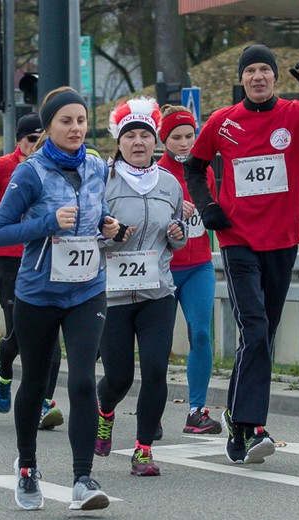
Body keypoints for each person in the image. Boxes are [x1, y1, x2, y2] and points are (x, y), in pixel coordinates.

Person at [184, 45, 299, 464]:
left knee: (262, 336)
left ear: (275, 77)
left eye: (265, 69)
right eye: (251, 71)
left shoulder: (298, 115)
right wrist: (208, 206)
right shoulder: (224, 121)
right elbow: (194, 166)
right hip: (238, 238)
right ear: (241, 79)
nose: (258, 76)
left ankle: (236, 419)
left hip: (282, 241)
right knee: (256, 329)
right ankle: (254, 425)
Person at [0, 86, 121, 511]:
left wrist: (109, 225)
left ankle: (83, 479)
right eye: (66, 121)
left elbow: (96, 213)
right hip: (39, 293)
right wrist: (47, 222)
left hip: (87, 289)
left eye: (81, 120)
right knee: (36, 381)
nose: (76, 128)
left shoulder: (99, 166)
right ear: (48, 127)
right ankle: (27, 468)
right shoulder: (30, 172)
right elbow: (0, 232)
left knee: (83, 380)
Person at [95, 97, 187, 476]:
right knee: (119, 376)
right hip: (111, 294)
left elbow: (177, 235)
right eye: (130, 135)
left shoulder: (169, 183)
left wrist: (178, 235)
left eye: (144, 136)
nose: (138, 142)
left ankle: (144, 449)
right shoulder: (103, 180)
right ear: (118, 142)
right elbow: (86, 235)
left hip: (157, 292)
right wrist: (111, 237)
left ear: (155, 142)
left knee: (154, 370)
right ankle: (104, 413)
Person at [0, 112, 64, 430]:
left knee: (50, 338)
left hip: (47, 258)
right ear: (19, 141)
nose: (37, 145)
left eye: (42, 139)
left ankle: (42, 403)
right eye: (31, 140)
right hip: (10, 259)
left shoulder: (56, 167)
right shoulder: (1, 167)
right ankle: (5, 370)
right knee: (20, 335)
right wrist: (8, 213)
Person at [157, 105, 222, 435]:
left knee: (200, 333)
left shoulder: (205, 171)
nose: (184, 143)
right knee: (159, 343)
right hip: (164, 270)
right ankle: (151, 413)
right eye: (177, 138)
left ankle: (196, 410)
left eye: (189, 136)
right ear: (163, 140)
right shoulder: (155, 174)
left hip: (199, 266)